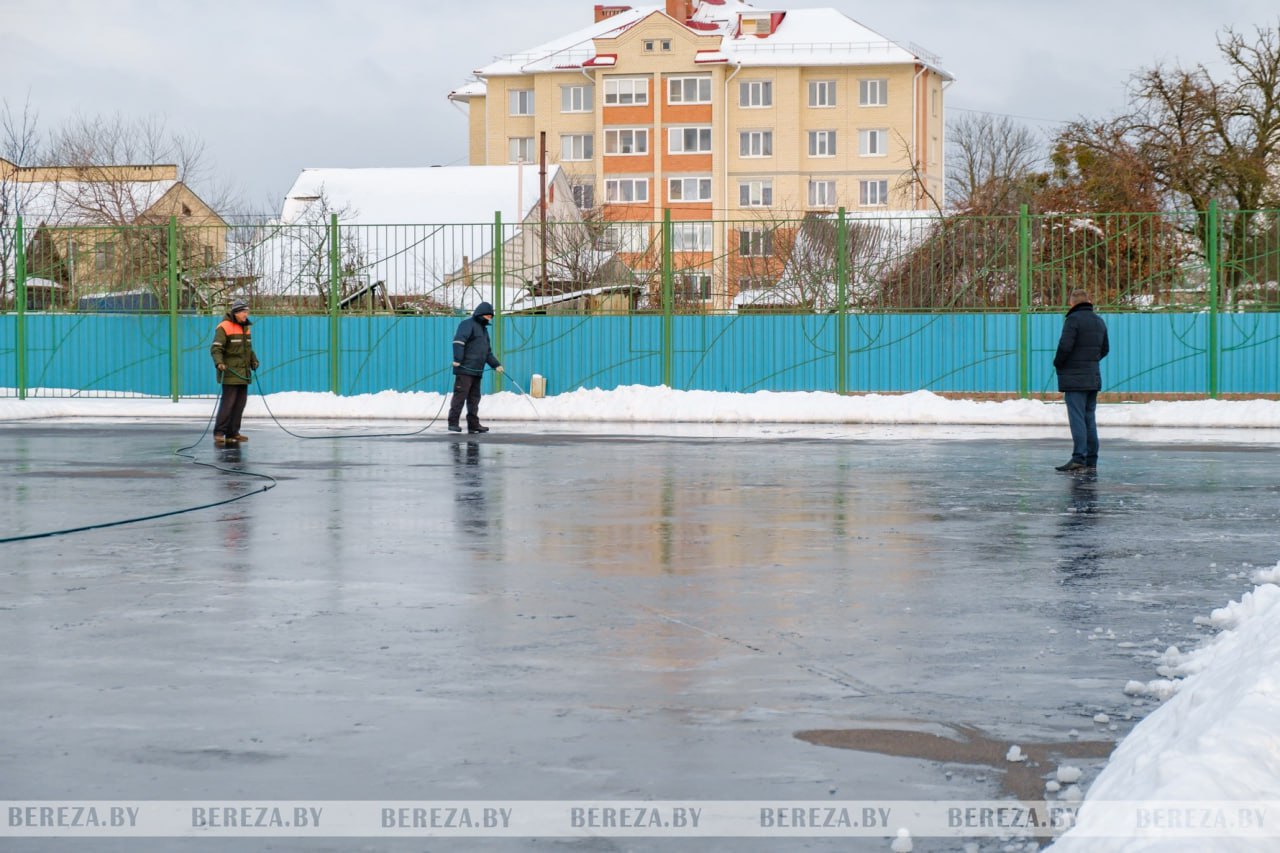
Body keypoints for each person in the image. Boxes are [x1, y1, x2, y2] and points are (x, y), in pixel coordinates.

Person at [1053, 288, 1109, 472]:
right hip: (1092, 376)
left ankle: (1078, 457)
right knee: (1088, 417)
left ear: (1072, 303)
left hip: (1074, 377)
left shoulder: (1073, 320)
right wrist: (1090, 361)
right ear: (1088, 301)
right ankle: (1091, 458)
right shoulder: (1099, 321)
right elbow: (1105, 349)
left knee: (1077, 417)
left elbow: (1065, 346)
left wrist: (1059, 363)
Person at [448, 301, 503, 433]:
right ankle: (453, 423)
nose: (489, 318)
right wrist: (457, 359)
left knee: (474, 399)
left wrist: (496, 365)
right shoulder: (467, 324)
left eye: (491, 316)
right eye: (488, 316)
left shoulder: (484, 331)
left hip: (477, 370)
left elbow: (487, 352)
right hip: (464, 369)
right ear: (480, 314)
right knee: (460, 396)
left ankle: (473, 424)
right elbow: (458, 341)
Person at [210, 300, 259, 446]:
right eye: (244, 312)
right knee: (228, 404)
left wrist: (254, 361)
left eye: (247, 312)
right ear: (236, 313)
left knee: (240, 404)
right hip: (230, 372)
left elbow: (248, 349)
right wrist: (219, 363)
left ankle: (233, 433)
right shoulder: (224, 327)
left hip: (243, 373)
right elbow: (216, 348)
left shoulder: (246, 328)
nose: (246, 314)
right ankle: (219, 432)